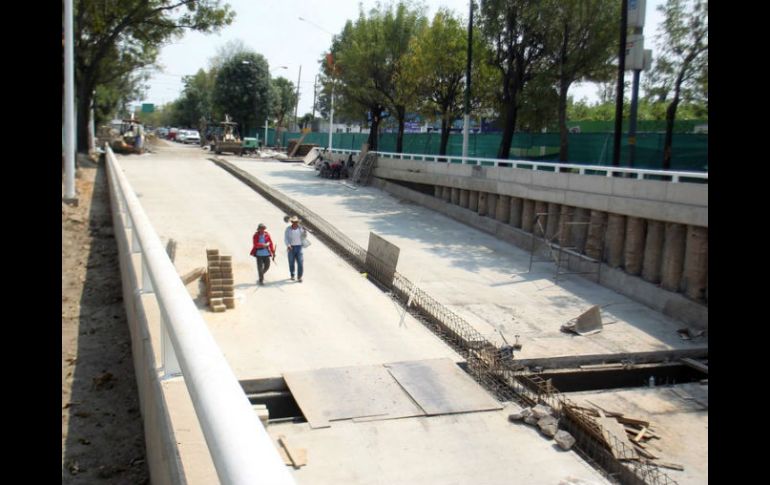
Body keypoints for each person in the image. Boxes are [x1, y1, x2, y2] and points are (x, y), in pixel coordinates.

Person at [283, 215, 307, 282]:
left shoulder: (301, 229)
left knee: (300, 262)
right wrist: (288, 245)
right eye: (293, 222)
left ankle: (299, 277)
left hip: (299, 247)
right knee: (291, 262)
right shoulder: (288, 229)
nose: (295, 223)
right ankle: (292, 275)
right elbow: (286, 238)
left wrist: (305, 232)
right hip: (291, 247)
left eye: (296, 222)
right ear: (291, 222)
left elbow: (304, 237)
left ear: (297, 222)